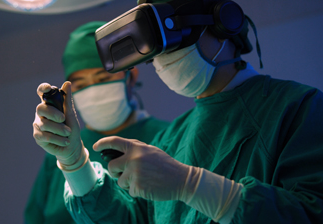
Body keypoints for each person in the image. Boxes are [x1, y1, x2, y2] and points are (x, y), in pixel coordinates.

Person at [33, 1, 323, 224]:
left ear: (224, 24)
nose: (164, 57)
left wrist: (191, 186)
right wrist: (74, 161)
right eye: (156, 48)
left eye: (175, 35)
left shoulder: (298, 109)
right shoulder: (170, 140)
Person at [26, 21, 170, 224]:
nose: (93, 91)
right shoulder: (59, 150)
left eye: (102, 78)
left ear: (131, 77)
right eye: (81, 84)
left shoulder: (168, 138)